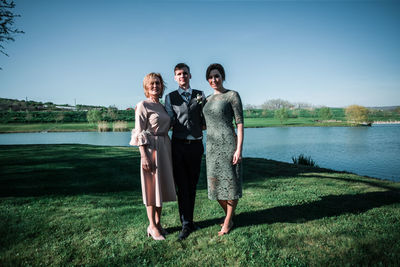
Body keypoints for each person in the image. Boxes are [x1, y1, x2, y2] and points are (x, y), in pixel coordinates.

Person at [129, 72, 176, 241]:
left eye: (158, 83)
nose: (155, 86)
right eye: (152, 84)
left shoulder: (163, 107)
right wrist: (144, 156)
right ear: (146, 87)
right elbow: (139, 131)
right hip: (150, 148)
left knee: (160, 187)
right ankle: (152, 226)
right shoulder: (143, 105)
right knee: (151, 188)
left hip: (165, 146)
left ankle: (158, 223)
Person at [164, 63, 206, 240]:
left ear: (190, 75)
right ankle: (186, 224)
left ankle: (191, 220)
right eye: (179, 74)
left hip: (196, 146)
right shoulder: (170, 97)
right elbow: (168, 120)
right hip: (179, 146)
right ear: (175, 77)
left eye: (185, 73)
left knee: (192, 185)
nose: (182, 76)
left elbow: (205, 118)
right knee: (182, 186)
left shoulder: (200, 95)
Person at [202, 63, 244, 236]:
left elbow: (240, 125)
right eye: (210, 77)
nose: (214, 79)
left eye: (217, 76)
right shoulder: (206, 100)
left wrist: (238, 149)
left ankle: (227, 222)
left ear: (223, 76)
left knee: (231, 183)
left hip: (228, 145)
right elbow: (204, 123)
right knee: (215, 186)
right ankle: (230, 215)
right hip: (211, 147)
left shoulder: (232, 95)